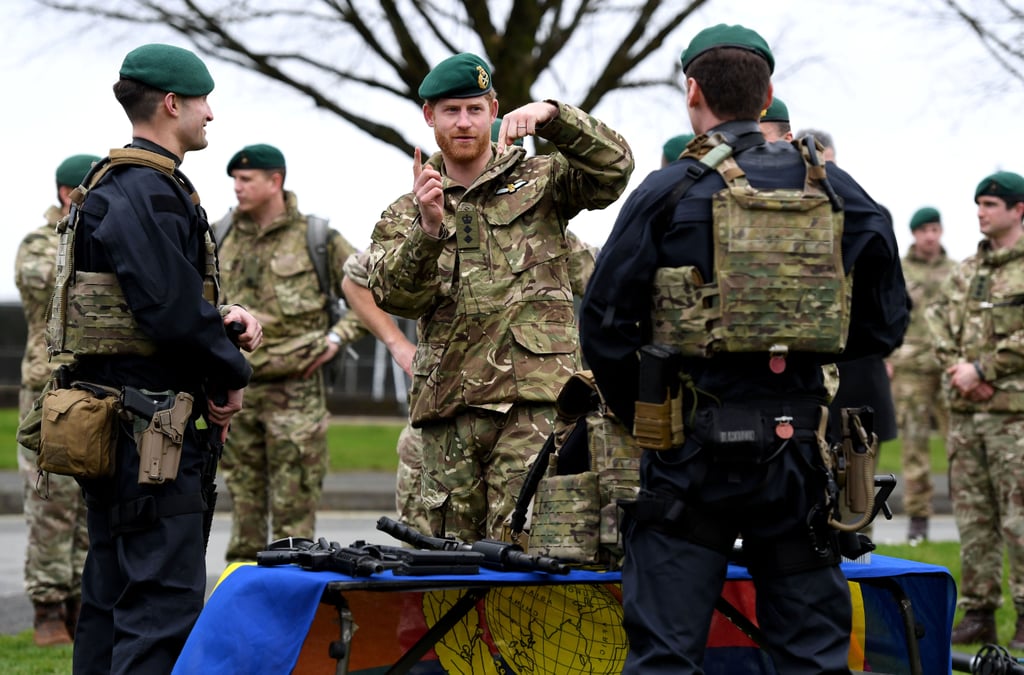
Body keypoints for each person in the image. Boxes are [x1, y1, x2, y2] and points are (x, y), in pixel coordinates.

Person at [580, 24, 907, 674]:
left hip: (689, 460)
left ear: (692, 90)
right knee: (812, 655)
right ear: (768, 96)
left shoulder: (666, 191)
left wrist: (647, 414)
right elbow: (884, 322)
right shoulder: (838, 192)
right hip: (799, 460)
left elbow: (603, 325)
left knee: (666, 656)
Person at [42, 43, 263, 674]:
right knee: (159, 605)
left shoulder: (113, 186)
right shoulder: (148, 190)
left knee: (111, 600)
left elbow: (139, 303)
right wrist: (232, 371)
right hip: (149, 432)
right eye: (202, 102)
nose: (211, 115)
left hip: (117, 419)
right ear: (172, 104)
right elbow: (168, 312)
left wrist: (218, 322)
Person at [367, 52, 633, 543]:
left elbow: (614, 171)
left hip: (531, 406)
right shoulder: (406, 210)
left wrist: (555, 118)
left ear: (494, 109)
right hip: (449, 412)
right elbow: (393, 295)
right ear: (430, 117)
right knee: (451, 567)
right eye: (451, 111)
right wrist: (427, 231)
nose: (464, 123)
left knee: (526, 554)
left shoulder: (543, 180)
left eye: (474, 109)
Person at [216, 143, 366, 562]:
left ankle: (294, 613)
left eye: (246, 180)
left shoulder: (317, 239)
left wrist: (338, 338)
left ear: (275, 181)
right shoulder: (218, 236)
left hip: (296, 395)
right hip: (234, 395)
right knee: (243, 509)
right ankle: (240, 608)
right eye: (235, 180)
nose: (237, 188)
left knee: (294, 519)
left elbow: (369, 292)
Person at [928, 171, 1024, 648]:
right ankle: (979, 612)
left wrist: (983, 370)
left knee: (1019, 518)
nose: (981, 212)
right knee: (973, 519)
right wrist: (958, 371)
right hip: (965, 415)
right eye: (978, 204)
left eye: (990, 204)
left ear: (1018, 209)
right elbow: (938, 323)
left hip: (1014, 416)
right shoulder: (966, 271)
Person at [15, 154, 97, 646]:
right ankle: (48, 607)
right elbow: (52, 287)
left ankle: (81, 602)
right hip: (48, 395)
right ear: (70, 194)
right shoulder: (39, 245)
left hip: (91, 392)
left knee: (89, 505)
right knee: (51, 504)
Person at [889, 206, 953, 545]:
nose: (931, 235)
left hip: (948, 368)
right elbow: (888, 315)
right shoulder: (899, 270)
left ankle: (968, 511)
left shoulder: (956, 272)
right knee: (914, 446)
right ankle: (918, 517)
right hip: (910, 367)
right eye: (924, 229)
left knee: (960, 443)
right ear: (914, 233)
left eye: (935, 229)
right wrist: (888, 357)